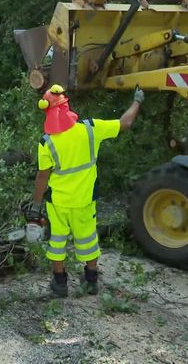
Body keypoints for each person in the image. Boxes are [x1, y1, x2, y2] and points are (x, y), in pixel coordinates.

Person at [24, 84, 144, 297]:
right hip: (85, 200)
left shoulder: (47, 142)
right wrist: (137, 101)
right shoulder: (90, 128)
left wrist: (35, 207)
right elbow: (125, 123)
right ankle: (90, 281)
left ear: (47, 112)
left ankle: (60, 284)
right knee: (88, 239)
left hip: (58, 203)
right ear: (67, 105)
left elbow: (42, 177)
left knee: (57, 241)